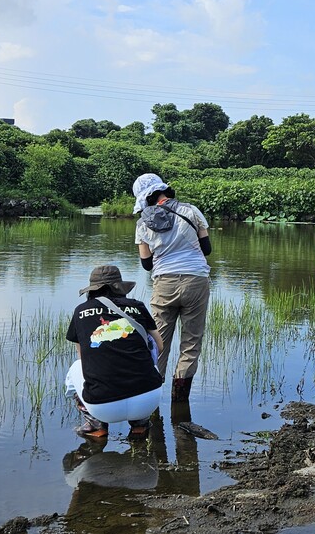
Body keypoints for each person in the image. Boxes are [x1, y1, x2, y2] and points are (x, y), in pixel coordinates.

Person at [132, 173, 212, 402]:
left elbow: (146, 264)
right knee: (191, 342)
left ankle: (151, 399)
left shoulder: (142, 224)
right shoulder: (191, 211)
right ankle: (179, 402)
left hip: (164, 283)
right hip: (196, 280)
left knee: (158, 343)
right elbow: (206, 249)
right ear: (164, 189)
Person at [65, 264, 164, 440]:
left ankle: (96, 425)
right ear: (120, 288)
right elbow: (159, 346)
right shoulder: (138, 306)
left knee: (76, 367)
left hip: (102, 407)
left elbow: (83, 357)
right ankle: (140, 425)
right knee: (150, 366)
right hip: (148, 400)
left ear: (92, 290)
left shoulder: (80, 311)